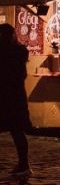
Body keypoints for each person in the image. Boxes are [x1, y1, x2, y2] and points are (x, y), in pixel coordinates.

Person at [0, 24, 31, 175]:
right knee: (17, 131)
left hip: (9, 96)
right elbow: (21, 74)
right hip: (15, 96)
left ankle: (24, 164)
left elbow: (19, 74)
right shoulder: (19, 51)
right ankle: (23, 163)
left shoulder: (12, 52)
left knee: (16, 131)